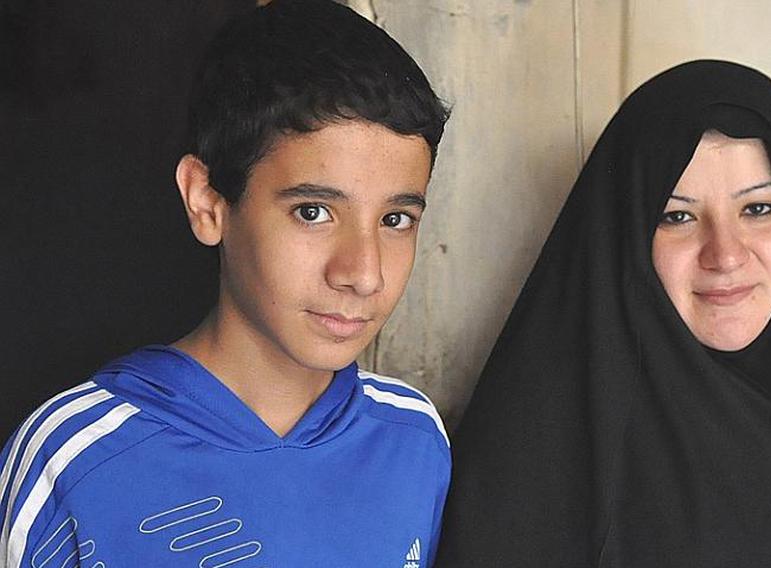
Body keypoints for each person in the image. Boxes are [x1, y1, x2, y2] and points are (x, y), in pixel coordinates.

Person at [0, 1, 450, 566]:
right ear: (208, 201)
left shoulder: (412, 438)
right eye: (313, 211)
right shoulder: (75, 457)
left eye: (395, 220)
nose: (364, 273)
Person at [437, 60, 771, 567]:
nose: (725, 255)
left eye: (758, 209)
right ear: (626, 238)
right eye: (677, 216)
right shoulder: (538, 462)